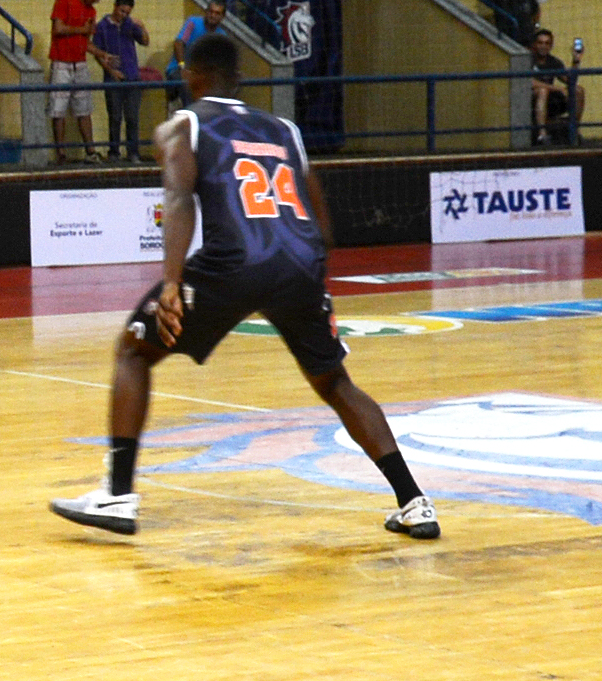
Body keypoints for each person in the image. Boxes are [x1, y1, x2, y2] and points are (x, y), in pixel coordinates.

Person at [51, 33, 438, 537]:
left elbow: (179, 199)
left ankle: (118, 495)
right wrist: (314, 282)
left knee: (133, 350)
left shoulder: (182, 124)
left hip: (234, 260)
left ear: (192, 74)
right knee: (335, 383)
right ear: (238, 79)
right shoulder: (285, 130)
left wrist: (171, 284)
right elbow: (320, 217)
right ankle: (414, 501)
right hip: (300, 263)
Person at [48, 0, 109, 164]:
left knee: (84, 109)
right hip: (61, 62)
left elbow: (85, 42)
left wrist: (101, 54)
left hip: (80, 62)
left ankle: (90, 151)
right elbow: (58, 29)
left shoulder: (91, 11)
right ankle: (61, 153)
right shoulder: (65, 0)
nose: (98, 0)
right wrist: (82, 30)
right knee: (58, 110)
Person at [92, 0, 150, 161]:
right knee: (115, 117)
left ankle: (133, 152)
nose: (124, 15)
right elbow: (97, 53)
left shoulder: (130, 25)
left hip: (132, 77)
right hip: (113, 79)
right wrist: (111, 71)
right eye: (121, 11)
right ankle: (114, 152)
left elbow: (145, 42)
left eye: (127, 12)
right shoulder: (102, 26)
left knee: (132, 117)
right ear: (115, 7)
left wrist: (142, 27)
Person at [530, 29, 583, 145]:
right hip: (530, 101)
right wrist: (557, 88)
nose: (543, 46)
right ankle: (542, 134)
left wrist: (576, 61)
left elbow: (570, 81)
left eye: (547, 43)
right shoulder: (528, 60)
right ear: (534, 44)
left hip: (551, 101)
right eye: (540, 43)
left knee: (578, 90)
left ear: (551, 46)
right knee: (543, 91)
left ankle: (574, 129)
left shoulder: (554, 62)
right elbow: (530, 82)